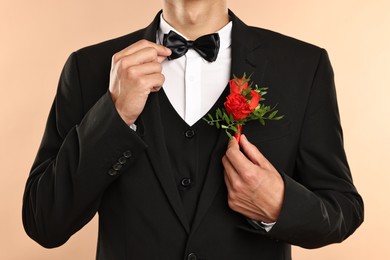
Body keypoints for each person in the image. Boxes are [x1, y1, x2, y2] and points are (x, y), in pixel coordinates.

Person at [22, 0, 364, 259]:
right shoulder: (88, 68)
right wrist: (114, 115)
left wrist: (279, 206)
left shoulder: (303, 65)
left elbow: (342, 209)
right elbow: (44, 222)